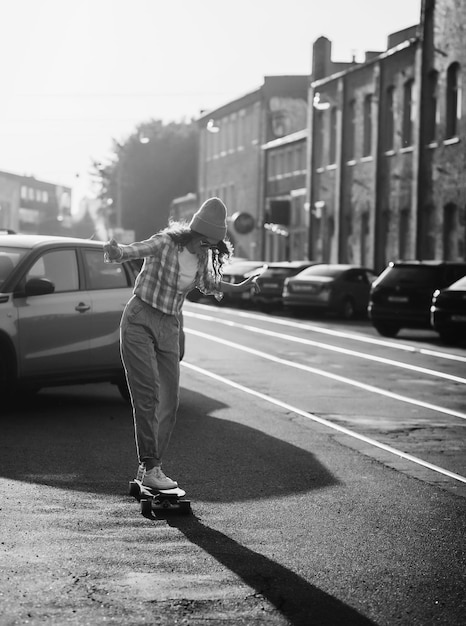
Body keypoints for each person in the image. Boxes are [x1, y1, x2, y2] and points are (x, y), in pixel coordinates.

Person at [103, 197, 262, 490]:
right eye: (205, 241)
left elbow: (208, 284)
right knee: (148, 394)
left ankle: (151, 467)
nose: (207, 249)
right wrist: (117, 251)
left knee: (170, 402)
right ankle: (151, 466)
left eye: (212, 245)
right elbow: (135, 249)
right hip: (139, 319)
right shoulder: (165, 243)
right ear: (195, 232)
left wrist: (238, 287)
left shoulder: (202, 258)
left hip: (169, 327)